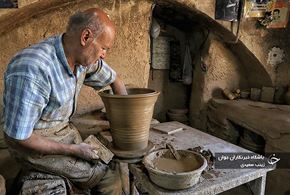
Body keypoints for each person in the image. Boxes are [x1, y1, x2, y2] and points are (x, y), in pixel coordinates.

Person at [3, 7, 127, 194]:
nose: (104, 55)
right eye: (103, 48)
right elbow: (20, 137)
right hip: (33, 144)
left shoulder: (79, 56)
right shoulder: (34, 69)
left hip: (63, 131)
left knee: (109, 161)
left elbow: (114, 79)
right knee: (106, 176)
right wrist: (74, 150)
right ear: (86, 37)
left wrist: (125, 122)